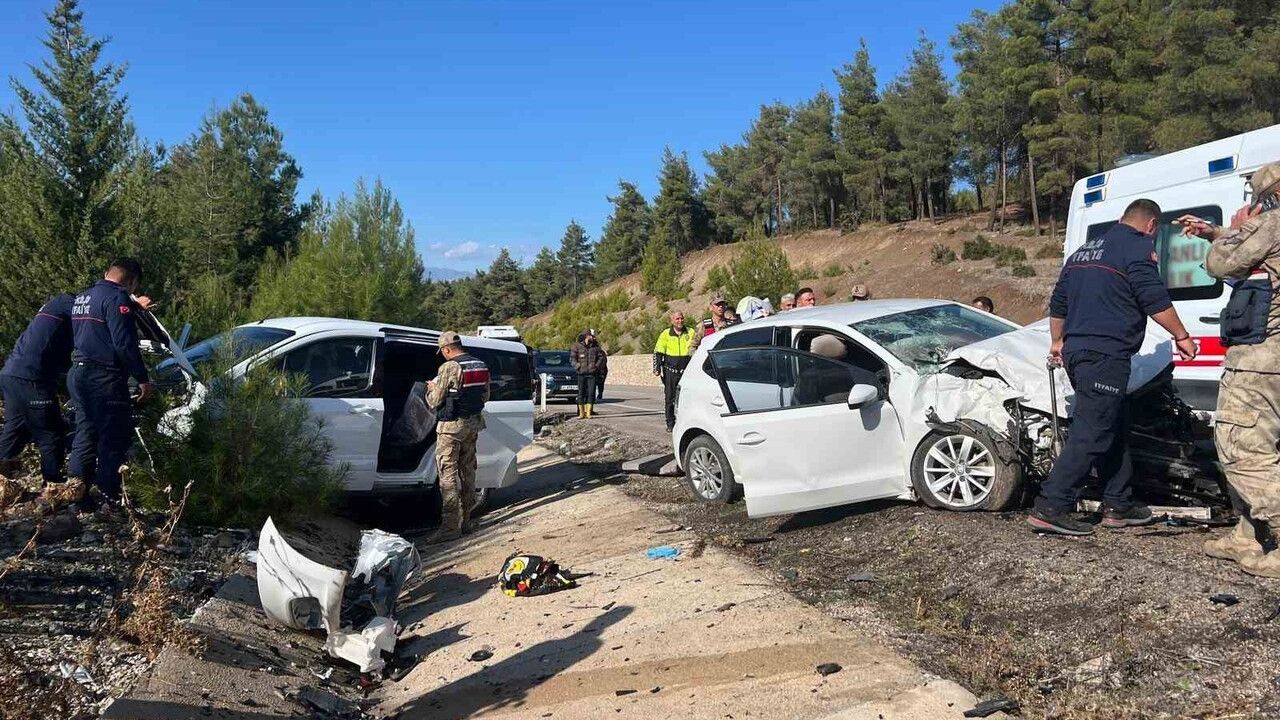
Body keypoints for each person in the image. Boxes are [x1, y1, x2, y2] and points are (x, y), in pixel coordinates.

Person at [1028, 199, 1198, 536]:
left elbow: (1059, 301)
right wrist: (1181, 335)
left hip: (1078, 352)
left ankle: (1117, 505)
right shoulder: (1136, 247)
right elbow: (1153, 297)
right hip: (1105, 355)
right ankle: (1051, 506)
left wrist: (1057, 341)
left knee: (1113, 424)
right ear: (1151, 226)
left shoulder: (1084, 251)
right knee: (1091, 432)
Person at [1179, 161, 1280, 576]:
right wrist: (1219, 233)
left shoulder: (1269, 223)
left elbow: (1221, 266)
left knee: (1242, 448)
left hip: (1261, 359)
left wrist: (1237, 228)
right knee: (1264, 447)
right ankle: (1247, 534)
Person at [68, 259, 156, 502]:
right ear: (132, 281)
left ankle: (75, 497)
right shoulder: (118, 299)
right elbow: (124, 344)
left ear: (107, 272)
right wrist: (142, 378)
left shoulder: (83, 298)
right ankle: (110, 501)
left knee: (85, 435)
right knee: (113, 438)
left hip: (78, 373)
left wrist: (134, 307)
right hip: (103, 379)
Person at [0, 294, 75, 483]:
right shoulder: (69, 303)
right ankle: (53, 486)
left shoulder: (52, 310)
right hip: (32, 377)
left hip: (12, 374)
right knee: (51, 433)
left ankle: (2, 481)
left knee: (17, 430)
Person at [425, 331, 490, 540]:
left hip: (451, 428)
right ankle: (467, 521)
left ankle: (450, 528)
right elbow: (485, 395)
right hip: (472, 424)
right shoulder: (480, 364)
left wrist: (432, 388)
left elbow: (435, 401)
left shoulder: (449, 367)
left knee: (447, 475)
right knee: (468, 472)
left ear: (446, 349)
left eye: (442, 352)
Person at [653, 310, 697, 432]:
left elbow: (697, 347)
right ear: (672, 321)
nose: (680, 321)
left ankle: (688, 423)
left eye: (681, 318)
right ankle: (670, 423)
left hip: (687, 372)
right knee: (670, 398)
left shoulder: (691, 332)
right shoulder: (665, 334)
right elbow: (658, 352)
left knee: (689, 398)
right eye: (677, 319)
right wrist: (656, 368)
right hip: (670, 372)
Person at [570, 330, 606, 418]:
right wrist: (578, 366)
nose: (594, 337)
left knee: (591, 393)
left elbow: (601, 358)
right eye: (591, 336)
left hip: (592, 374)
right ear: (587, 336)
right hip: (581, 374)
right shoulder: (577, 346)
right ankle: (581, 413)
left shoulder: (596, 347)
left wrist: (596, 367)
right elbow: (572, 359)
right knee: (581, 393)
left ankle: (589, 412)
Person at [592, 328, 608, 401]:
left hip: (600, 370)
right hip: (595, 370)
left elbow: (603, 361)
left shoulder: (601, 353)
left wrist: (599, 369)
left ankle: (600, 394)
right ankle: (594, 395)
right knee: (593, 384)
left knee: (600, 383)